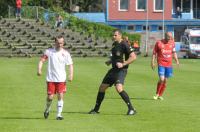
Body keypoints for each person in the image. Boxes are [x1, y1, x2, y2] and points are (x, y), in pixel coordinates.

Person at [89, 29, 137, 115]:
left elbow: (133, 57)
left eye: (115, 35)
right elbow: (116, 56)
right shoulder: (114, 44)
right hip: (113, 70)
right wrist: (110, 61)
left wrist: (123, 64)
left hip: (121, 70)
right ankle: (96, 109)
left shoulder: (124, 44)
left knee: (119, 88)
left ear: (120, 35)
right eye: (113, 35)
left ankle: (131, 109)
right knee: (102, 87)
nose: (113, 36)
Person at [37, 35, 73, 120]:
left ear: (63, 43)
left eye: (61, 43)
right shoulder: (49, 52)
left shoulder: (66, 53)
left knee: (60, 95)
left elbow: (70, 65)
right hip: (51, 79)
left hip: (61, 79)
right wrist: (39, 69)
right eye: (58, 43)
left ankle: (59, 115)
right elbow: (41, 60)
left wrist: (71, 75)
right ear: (55, 42)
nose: (60, 44)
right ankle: (47, 109)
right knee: (50, 97)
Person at [151, 32, 179, 100]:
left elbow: (174, 52)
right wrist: (152, 62)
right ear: (165, 36)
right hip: (161, 63)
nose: (170, 39)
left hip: (169, 65)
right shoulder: (159, 43)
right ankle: (157, 94)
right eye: (168, 37)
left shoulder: (172, 43)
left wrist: (177, 60)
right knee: (161, 79)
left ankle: (160, 95)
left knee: (165, 80)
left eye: (171, 37)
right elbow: (154, 53)